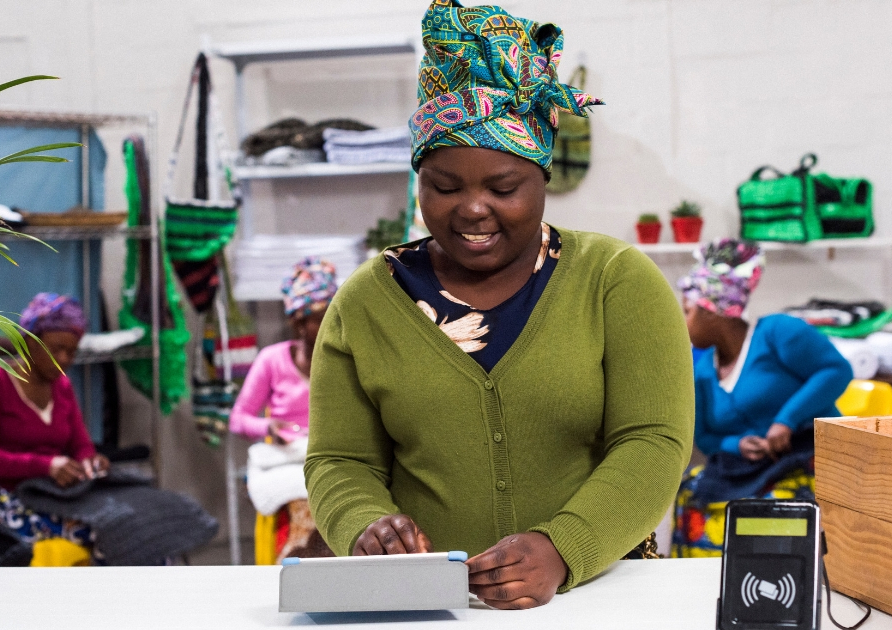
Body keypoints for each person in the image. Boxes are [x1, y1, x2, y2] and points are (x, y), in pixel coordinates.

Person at [304, 0, 694, 610]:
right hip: (431, 608)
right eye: (444, 186)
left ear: (541, 178)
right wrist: (364, 524)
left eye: (503, 187)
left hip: (597, 598)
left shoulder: (614, 281)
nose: (472, 209)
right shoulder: (368, 302)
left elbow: (652, 441)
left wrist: (562, 548)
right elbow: (339, 459)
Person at [670, 239, 853, 557]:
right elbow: (706, 438)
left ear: (712, 311)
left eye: (687, 312)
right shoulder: (701, 370)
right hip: (748, 466)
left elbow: (836, 371)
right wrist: (737, 444)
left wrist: (786, 421)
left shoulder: (776, 333)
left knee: (774, 506)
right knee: (691, 491)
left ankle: (774, 579)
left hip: (808, 457)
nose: (682, 323)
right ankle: (705, 579)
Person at [0, 293, 107, 554]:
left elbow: (81, 445)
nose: (64, 359)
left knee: (143, 519)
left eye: (71, 352)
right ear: (29, 342)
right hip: (6, 499)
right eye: (56, 349)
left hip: (53, 495)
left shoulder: (62, 387)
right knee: (105, 530)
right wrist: (45, 466)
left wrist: (89, 462)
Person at [229, 257, 337, 561]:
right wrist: (269, 427)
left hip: (331, 456)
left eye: (334, 315)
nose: (330, 324)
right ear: (299, 322)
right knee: (304, 502)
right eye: (320, 317)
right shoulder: (272, 360)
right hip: (287, 457)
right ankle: (292, 568)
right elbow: (238, 419)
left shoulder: (345, 360)